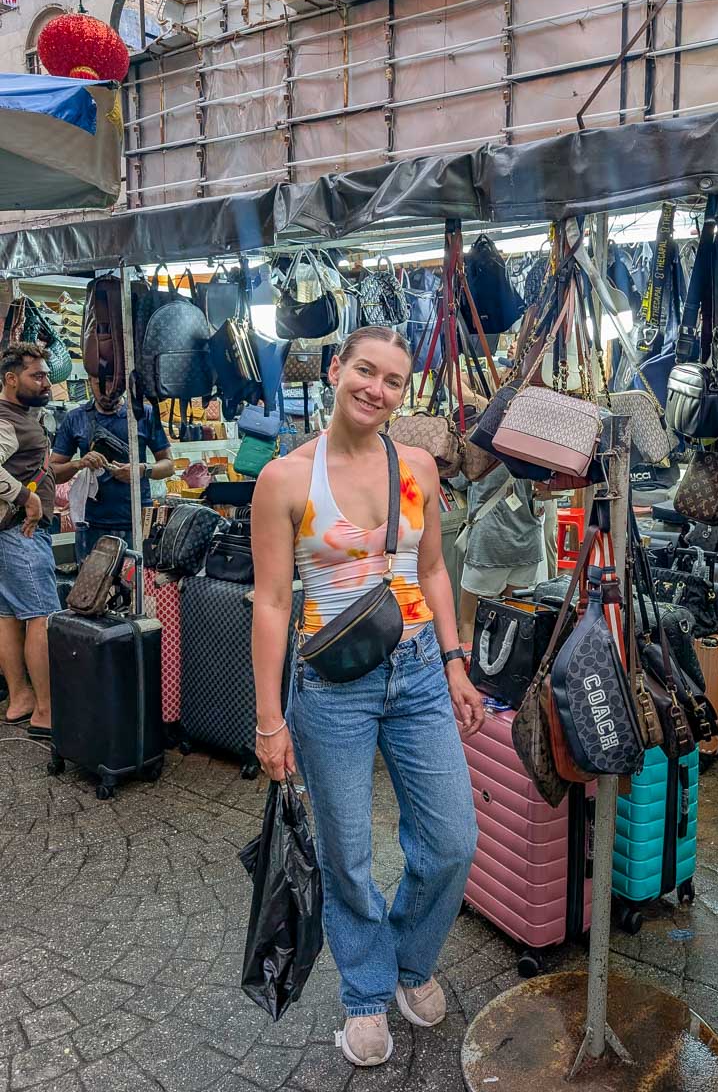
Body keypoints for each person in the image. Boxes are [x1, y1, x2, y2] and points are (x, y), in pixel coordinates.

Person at [251, 325, 483, 1069]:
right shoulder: (285, 480)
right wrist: (267, 720)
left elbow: (436, 570)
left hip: (417, 671)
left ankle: (410, 961)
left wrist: (453, 662)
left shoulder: (415, 465)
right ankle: (366, 992)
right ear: (334, 369)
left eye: (391, 380)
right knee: (348, 855)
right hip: (331, 687)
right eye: (364, 371)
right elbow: (271, 604)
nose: (375, 389)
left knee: (452, 840)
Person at [0, 343, 58, 736]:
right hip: (22, 532)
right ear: (10, 379)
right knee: (41, 616)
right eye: (36, 375)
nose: (46, 382)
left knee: (7, 616)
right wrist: (27, 496)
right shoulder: (7, 419)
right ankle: (46, 710)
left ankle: (20, 698)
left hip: (10, 535)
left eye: (45, 374)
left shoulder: (20, 415)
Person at [50, 385, 174, 562]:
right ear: (90, 380)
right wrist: (79, 463)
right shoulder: (76, 418)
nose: (107, 388)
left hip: (136, 522)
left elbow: (169, 465)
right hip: (91, 524)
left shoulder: (143, 414)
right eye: (99, 380)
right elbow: (53, 472)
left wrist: (141, 470)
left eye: (112, 380)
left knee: (135, 585)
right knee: (91, 588)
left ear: (122, 379)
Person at [456, 463, 546, 643]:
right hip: (527, 543)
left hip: (489, 544)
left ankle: (468, 669)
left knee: (469, 622)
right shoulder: (536, 444)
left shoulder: (483, 442)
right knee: (513, 622)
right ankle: (505, 669)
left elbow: (459, 481)